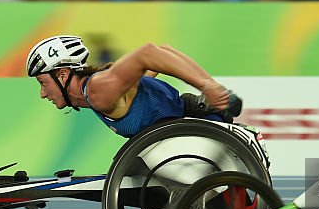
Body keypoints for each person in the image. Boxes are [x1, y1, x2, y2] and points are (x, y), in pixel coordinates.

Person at [26, 35, 241, 138]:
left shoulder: (98, 89)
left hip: (197, 125)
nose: (43, 94)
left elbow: (149, 53)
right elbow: (163, 50)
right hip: (179, 129)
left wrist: (208, 86)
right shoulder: (96, 94)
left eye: (43, 83)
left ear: (63, 75)